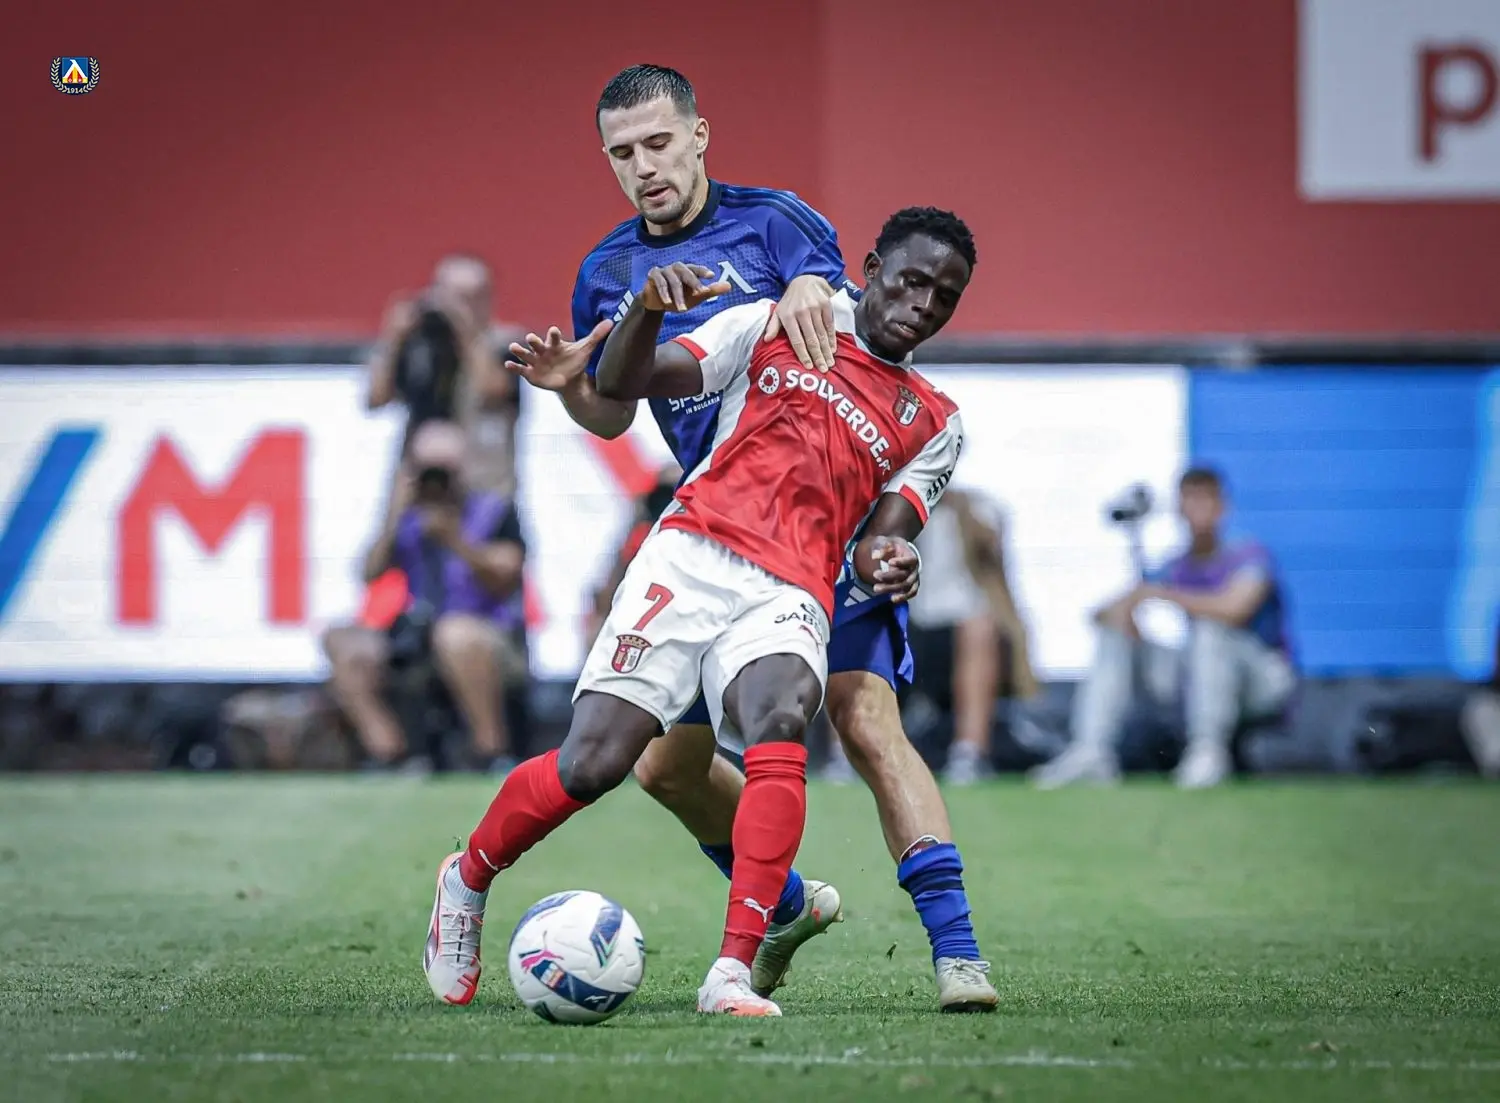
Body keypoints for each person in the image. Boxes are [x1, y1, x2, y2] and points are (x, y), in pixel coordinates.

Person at [499, 64, 997, 1012]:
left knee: (863, 716)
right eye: (623, 152)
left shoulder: (778, 223)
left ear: (698, 136)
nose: (645, 165)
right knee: (664, 766)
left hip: (821, 539)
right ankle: (783, 903)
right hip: (717, 531)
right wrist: (573, 386)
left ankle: (958, 952)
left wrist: (884, 547)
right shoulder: (607, 272)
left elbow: (828, 290)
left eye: (659, 142)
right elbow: (611, 409)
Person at [1031, 466, 1296, 790]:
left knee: (1208, 631)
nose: (1197, 510)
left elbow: (1235, 608)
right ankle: (1091, 751)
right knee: (1115, 635)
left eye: (1205, 500)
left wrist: (1164, 594)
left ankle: (1208, 751)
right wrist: (1127, 610)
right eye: (1190, 500)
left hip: (1262, 680)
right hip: (1196, 681)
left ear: (1222, 507)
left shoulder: (1248, 555)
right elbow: (1099, 614)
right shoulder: (1176, 564)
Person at [324, 421, 528, 773]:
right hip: (417, 631)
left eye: (443, 471)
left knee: (454, 634)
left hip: (484, 633)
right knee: (342, 640)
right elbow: (369, 573)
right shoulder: (406, 518)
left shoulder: (493, 510)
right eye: (426, 470)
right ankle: (388, 754)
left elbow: (507, 575)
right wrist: (394, 512)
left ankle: (490, 751)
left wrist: (456, 541)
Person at [906, 489, 1039, 784]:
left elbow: (991, 548)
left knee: (980, 629)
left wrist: (963, 511)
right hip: (909, 620)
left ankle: (969, 753)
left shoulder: (976, 506)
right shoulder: (893, 505)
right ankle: (846, 757)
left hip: (963, 625)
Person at [368, 254, 522, 497]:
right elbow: (376, 399)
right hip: (420, 479)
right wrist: (393, 339)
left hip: (483, 481)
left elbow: (493, 392)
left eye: (467, 298)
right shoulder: (421, 342)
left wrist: (466, 331)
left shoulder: (503, 343)